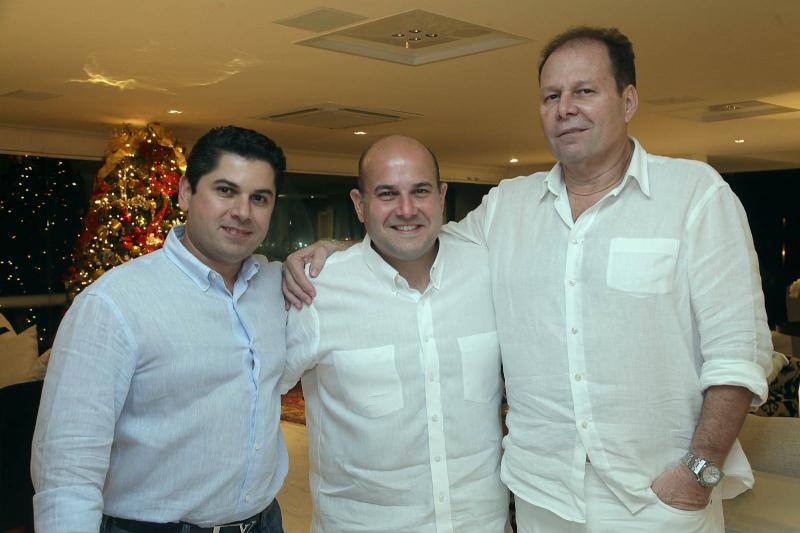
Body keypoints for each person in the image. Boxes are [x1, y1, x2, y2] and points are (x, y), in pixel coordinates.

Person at [282, 28, 772, 532]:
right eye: (551, 96)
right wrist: (336, 249)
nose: (565, 108)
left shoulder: (694, 195)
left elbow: (738, 353)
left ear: (628, 100)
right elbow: (415, 237)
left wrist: (697, 474)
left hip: (655, 500)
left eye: (584, 91)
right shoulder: (508, 207)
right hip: (542, 496)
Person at [32, 126, 289, 533]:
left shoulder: (277, 288)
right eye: (225, 191)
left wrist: (328, 249)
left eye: (259, 198)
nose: (243, 211)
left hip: (263, 523)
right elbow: (67, 467)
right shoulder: (113, 303)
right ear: (186, 192)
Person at [280, 135, 508, 532]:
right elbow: (251, 395)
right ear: (359, 204)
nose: (406, 209)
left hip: (480, 523)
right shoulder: (317, 290)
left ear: (441, 196)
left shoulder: (489, 271)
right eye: (387, 194)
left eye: (420, 191)